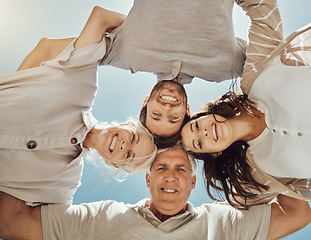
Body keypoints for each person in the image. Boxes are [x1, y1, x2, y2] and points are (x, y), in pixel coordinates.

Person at [0, 7, 157, 206]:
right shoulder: (82, 87)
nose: (126, 145)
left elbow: (44, 225)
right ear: (127, 125)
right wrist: (21, 86)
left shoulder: (66, 182)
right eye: (133, 138)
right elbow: (101, 17)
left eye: (128, 155)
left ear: (115, 164)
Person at [0, 146, 310, 240]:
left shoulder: (224, 222)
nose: (171, 177)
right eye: (162, 168)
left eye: (181, 170)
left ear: (192, 184)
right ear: (148, 179)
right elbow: (11, 222)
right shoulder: (101, 217)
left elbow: (297, 212)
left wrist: (264, 139)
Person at [181, 0, 311, 208]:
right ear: (214, 153)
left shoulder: (256, 77)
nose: (203, 133)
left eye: (196, 126)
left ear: (206, 113)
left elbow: (263, 10)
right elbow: (235, 212)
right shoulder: (258, 176)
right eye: (199, 143)